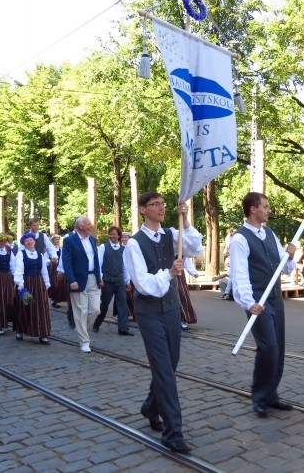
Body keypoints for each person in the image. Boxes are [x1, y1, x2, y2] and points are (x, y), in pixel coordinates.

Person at [124, 192, 201, 453]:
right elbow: (143, 285)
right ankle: (173, 433)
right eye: (155, 205)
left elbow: (194, 248)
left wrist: (186, 219)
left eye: (162, 204)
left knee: (172, 364)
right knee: (165, 371)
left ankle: (150, 406)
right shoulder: (134, 244)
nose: (161, 208)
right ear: (143, 210)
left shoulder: (170, 233)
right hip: (148, 312)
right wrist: (169, 273)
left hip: (170, 309)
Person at [230, 192, 297, 419]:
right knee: (268, 347)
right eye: (265, 206)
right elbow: (239, 274)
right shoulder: (239, 239)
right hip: (258, 301)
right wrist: (249, 302)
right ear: (253, 209)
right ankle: (259, 397)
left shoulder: (269, 233)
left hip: (276, 299)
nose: (269, 210)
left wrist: (289, 256)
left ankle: (271, 395)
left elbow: (285, 268)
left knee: (278, 348)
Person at [61, 216, 102, 353]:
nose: (91, 225)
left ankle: (81, 328)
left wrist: (99, 277)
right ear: (80, 227)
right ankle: (84, 341)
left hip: (93, 278)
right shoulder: (69, 241)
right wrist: (71, 280)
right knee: (81, 310)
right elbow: (67, 262)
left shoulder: (92, 239)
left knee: (96, 309)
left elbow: (95, 260)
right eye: (88, 224)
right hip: (78, 280)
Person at [92, 226, 132, 336]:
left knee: (122, 303)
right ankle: (97, 323)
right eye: (110, 234)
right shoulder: (103, 247)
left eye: (114, 234)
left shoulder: (124, 249)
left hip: (119, 280)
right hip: (107, 280)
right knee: (105, 303)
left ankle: (123, 328)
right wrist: (100, 278)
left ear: (118, 236)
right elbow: (98, 264)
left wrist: (127, 281)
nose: (112, 236)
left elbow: (126, 267)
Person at [13, 233, 52, 344]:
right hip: (27, 283)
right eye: (27, 241)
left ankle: (42, 333)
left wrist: (47, 285)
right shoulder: (21, 254)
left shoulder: (40, 255)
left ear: (34, 241)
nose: (29, 242)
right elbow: (19, 269)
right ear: (24, 244)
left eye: (31, 240)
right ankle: (20, 330)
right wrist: (20, 283)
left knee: (41, 308)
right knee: (25, 306)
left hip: (39, 283)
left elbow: (44, 271)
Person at [48, 234, 68, 307]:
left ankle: (56, 300)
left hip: (60, 266)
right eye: (56, 239)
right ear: (52, 240)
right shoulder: (49, 249)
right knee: (54, 284)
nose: (57, 240)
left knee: (60, 284)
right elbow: (47, 257)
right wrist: (51, 261)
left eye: (58, 239)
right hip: (53, 267)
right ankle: (52, 299)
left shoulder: (60, 248)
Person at [121, 232, 136, 321]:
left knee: (133, 296)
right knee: (124, 296)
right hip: (123, 276)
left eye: (125, 237)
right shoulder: (121, 249)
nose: (124, 239)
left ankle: (135, 314)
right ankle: (126, 313)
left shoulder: (133, 248)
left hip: (133, 275)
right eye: (122, 238)